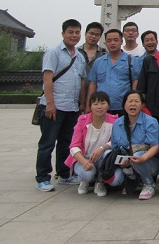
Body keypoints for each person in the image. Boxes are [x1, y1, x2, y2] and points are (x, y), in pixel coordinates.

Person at [36, 19, 88, 192]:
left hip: (72, 107)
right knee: (47, 143)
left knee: (67, 143)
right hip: (54, 107)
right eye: (70, 32)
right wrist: (50, 104)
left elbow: (82, 81)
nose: (74, 35)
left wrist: (82, 103)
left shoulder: (79, 56)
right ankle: (42, 178)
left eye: (77, 32)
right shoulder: (54, 53)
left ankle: (64, 174)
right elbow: (47, 79)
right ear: (63, 33)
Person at [110, 90, 159, 200]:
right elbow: (114, 148)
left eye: (136, 101)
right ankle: (131, 180)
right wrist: (120, 162)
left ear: (142, 104)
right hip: (127, 163)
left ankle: (149, 184)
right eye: (130, 101)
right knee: (115, 180)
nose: (133, 104)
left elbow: (155, 146)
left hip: (149, 161)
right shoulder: (117, 123)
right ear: (124, 104)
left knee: (137, 155)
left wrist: (143, 158)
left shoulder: (150, 121)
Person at [64, 91, 118, 197]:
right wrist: (84, 162)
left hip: (102, 158)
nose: (99, 107)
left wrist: (102, 148)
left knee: (108, 152)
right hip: (85, 158)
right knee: (87, 175)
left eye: (103, 103)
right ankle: (84, 181)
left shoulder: (114, 120)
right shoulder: (82, 120)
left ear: (108, 105)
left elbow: (116, 141)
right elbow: (74, 146)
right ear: (91, 106)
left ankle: (100, 181)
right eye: (95, 104)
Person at [87, 29, 139, 116]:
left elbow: (135, 81)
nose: (112, 43)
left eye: (115, 40)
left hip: (123, 107)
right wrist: (88, 105)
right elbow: (93, 84)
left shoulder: (131, 60)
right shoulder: (98, 62)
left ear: (121, 41)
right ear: (105, 43)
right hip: (101, 107)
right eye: (109, 41)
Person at [78, 22, 106, 112]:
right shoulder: (75, 52)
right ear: (85, 34)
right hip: (75, 96)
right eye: (91, 33)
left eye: (97, 35)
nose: (93, 37)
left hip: (96, 98)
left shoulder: (104, 54)